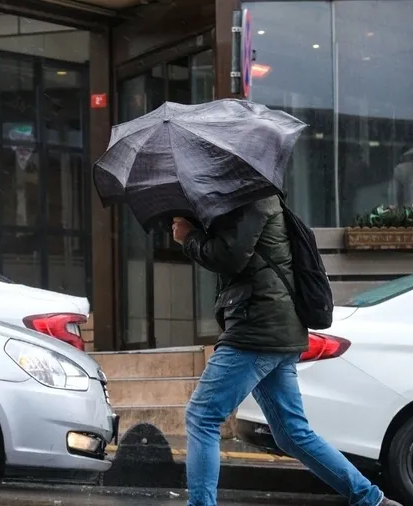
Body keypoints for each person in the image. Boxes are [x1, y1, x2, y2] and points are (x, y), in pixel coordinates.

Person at [172, 195, 401, 506]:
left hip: (257, 330)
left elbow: (231, 257)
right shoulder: (250, 201)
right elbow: (240, 255)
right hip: (273, 329)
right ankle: (371, 499)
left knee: (202, 416)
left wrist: (191, 238)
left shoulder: (254, 199)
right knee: (292, 433)